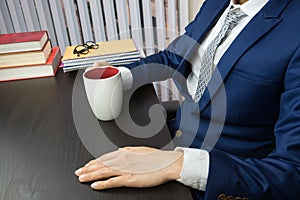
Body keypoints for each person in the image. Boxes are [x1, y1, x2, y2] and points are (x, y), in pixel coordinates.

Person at [75, 0, 300, 199]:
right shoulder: (217, 3)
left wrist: (179, 164)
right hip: (170, 136)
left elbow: (293, 174)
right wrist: (122, 76)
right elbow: (176, 56)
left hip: (221, 176)